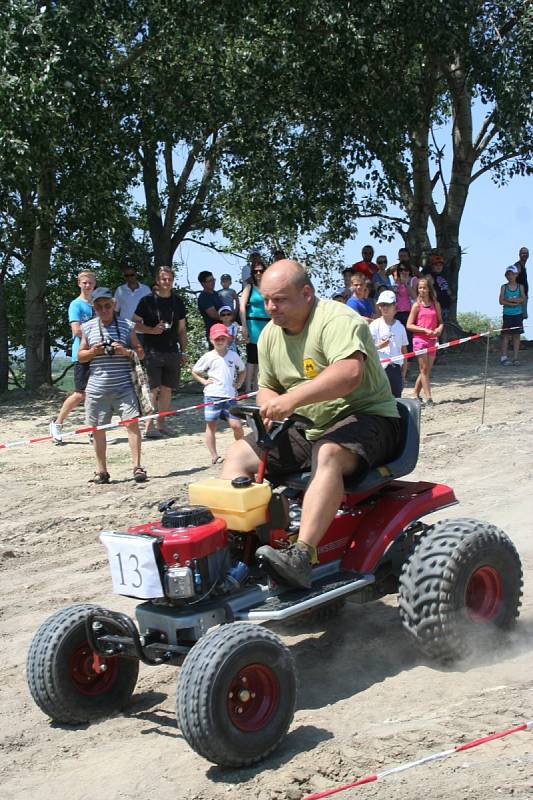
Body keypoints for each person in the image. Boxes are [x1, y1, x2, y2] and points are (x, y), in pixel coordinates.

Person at [221, 260, 402, 589]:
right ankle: (237, 551)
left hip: (369, 417)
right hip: (310, 424)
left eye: (280, 299)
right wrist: (268, 404)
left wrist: (290, 400)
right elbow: (267, 386)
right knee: (238, 454)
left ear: (306, 293)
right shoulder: (270, 337)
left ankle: (301, 556)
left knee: (328, 453)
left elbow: (349, 373)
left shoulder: (336, 319)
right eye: (266, 300)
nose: (271, 308)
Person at [78, 288, 147, 484]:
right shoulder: (88, 327)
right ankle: (101, 471)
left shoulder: (127, 325)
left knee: (132, 424)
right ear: (94, 308)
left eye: (107, 305)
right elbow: (80, 357)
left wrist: (125, 352)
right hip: (97, 389)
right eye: (99, 307)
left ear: (114, 305)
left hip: (124, 387)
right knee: (97, 429)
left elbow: (140, 353)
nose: (104, 310)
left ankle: (137, 467)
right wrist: (93, 351)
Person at [133, 266, 187, 438]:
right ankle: (149, 426)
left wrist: (184, 352)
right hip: (152, 351)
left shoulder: (177, 301)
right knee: (152, 389)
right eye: (163, 279)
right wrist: (150, 330)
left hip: (172, 350)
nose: (167, 282)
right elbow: (134, 324)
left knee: (167, 389)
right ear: (157, 280)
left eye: (170, 278)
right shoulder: (147, 300)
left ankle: (161, 424)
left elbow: (182, 330)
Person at [49, 270, 96, 444]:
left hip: (97, 354)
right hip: (82, 354)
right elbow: (76, 330)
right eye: (84, 282)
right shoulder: (76, 305)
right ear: (79, 284)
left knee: (96, 394)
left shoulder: (97, 304)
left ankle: (93, 429)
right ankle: (57, 423)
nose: (88, 285)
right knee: (80, 393)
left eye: (90, 282)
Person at [191, 323, 246, 464]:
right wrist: (203, 381)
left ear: (228, 339)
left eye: (223, 338)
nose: (220, 341)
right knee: (211, 426)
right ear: (211, 339)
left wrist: (239, 383)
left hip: (230, 396)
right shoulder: (208, 356)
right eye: (217, 338)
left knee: (237, 426)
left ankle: (242, 452)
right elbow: (195, 371)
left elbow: (242, 370)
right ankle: (214, 456)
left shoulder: (233, 355)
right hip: (212, 396)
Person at [407, 278, 443, 406]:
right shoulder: (416, 305)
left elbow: (440, 321)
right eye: (420, 288)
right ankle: (429, 398)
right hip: (419, 340)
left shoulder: (435, 304)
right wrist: (424, 330)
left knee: (427, 369)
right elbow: (409, 325)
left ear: (429, 289)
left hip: (432, 340)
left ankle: (415, 393)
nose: (422, 290)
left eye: (424, 288)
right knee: (424, 369)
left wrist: (438, 330)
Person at [369, 291, 409, 398]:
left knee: (396, 400)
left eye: (388, 304)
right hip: (379, 368)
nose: (385, 307)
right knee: (379, 399)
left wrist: (403, 373)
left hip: (396, 368)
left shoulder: (400, 327)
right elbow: (366, 348)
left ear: (394, 306)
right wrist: (379, 346)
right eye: (382, 305)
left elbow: (404, 351)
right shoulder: (374, 325)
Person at [240, 261, 270, 393]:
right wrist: (244, 326)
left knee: (262, 357)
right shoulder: (249, 288)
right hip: (252, 324)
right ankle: (248, 387)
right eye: (255, 271)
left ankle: (257, 387)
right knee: (252, 358)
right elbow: (242, 307)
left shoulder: (269, 288)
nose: (258, 273)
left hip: (267, 324)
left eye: (261, 271)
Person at [499, 265, 525, 366]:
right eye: (508, 274)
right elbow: (501, 301)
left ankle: (515, 358)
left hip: (518, 315)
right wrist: (511, 302)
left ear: (516, 275)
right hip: (507, 315)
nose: (510, 276)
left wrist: (513, 300)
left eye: (512, 274)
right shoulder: (504, 287)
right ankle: (504, 357)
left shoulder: (520, 287)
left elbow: (523, 298)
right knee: (506, 336)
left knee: (516, 336)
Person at [197, 270, 223, 345]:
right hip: (214, 334)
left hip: (224, 331)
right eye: (210, 281)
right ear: (203, 283)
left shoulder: (216, 294)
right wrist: (229, 318)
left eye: (213, 279)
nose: (213, 282)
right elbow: (214, 315)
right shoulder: (204, 297)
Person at [423, 254, 452, 322]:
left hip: (446, 306)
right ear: (432, 266)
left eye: (440, 265)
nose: (439, 267)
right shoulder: (429, 276)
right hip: (437, 306)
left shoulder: (443, 276)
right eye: (436, 265)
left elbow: (447, 289)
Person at [514, 247, 529, 320]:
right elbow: (512, 278)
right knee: (518, 316)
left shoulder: (523, 266)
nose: (524, 255)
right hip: (519, 296)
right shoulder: (518, 265)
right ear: (519, 254)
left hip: (523, 296)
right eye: (523, 253)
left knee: (522, 316)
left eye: (526, 253)